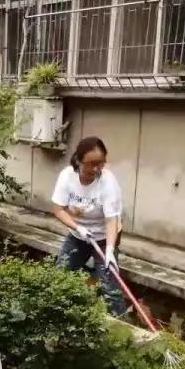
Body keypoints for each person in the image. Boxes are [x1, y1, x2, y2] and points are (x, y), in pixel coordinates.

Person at [50, 136, 127, 317]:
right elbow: (58, 209)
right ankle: (57, 316)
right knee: (60, 276)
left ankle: (123, 324)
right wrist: (78, 228)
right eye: (91, 163)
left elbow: (111, 220)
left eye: (100, 163)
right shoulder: (67, 176)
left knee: (110, 287)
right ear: (78, 160)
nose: (96, 168)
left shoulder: (108, 182)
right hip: (78, 236)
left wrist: (109, 249)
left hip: (104, 238)